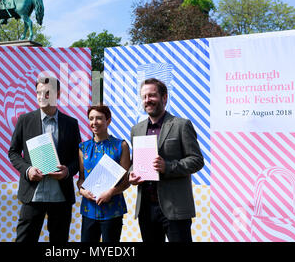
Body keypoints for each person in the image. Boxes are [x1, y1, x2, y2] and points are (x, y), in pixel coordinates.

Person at [129, 78, 204, 242]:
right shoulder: (136, 129)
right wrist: (131, 175)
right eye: (144, 97)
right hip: (146, 208)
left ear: (164, 97)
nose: (147, 100)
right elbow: (134, 162)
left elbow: (197, 160)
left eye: (152, 95)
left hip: (175, 207)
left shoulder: (181, 125)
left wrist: (168, 166)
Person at [8, 76, 81, 242]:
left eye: (47, 93)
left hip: (60, 196)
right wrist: (27, 170)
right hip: (33, 195)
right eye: (38, 93)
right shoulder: (24, 120)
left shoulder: (71, 124)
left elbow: (78, 158)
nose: (41, 97)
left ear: (58, 94)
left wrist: (68, 171)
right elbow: (13, 152)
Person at [77, 105, 130, 242]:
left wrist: (111, 192)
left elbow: (126, 181)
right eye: (91, 119)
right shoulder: (83, 148)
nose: (94, 122)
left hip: (113, 211)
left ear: (109, 121)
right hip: (89, 210)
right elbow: (81, 179)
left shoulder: (121, 146)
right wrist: (82, 191)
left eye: (99, 118)